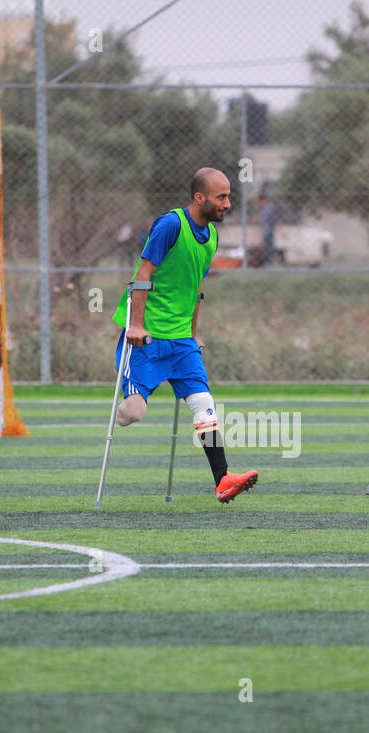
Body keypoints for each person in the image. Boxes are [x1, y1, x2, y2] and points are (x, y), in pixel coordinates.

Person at [110, 166, 258, 502]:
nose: (228, 203)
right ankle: (122, 410)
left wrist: (193, 333)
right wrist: (135, 324)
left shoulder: (213, 237)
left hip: (180, 341)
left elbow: (196, 287)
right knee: (135, 413)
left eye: (229, 196)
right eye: (222, 197)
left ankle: (222, 480)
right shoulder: (171, 224)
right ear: (199, 197)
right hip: (145, 337)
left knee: (204, 402)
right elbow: (143, 270)